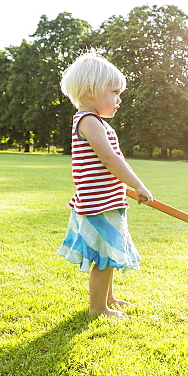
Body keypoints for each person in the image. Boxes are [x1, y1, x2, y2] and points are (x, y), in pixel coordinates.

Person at [56, 50, 153, 317]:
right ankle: (98, 308)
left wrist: (127, 189)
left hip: (108, 200)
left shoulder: (96, 122)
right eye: (113, 92)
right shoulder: (88, 121)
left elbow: (109, 164)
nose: (118, 99)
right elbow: (110, 159)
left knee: (108, 253)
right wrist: (139, 185)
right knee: (103, 255)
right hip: (97, 204)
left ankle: (107, 298)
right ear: (90, 91)